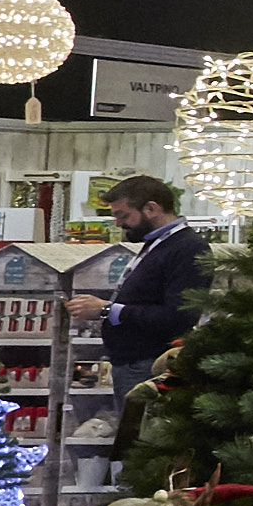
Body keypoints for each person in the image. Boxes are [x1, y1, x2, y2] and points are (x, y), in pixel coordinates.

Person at [68, 175, 207, 444]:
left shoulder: (187, 248)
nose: (118, 223)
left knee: (144, 447)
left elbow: (178, 316)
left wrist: (106, 310)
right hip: (133, 365)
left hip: (148, 366)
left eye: (123, 215)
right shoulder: (159, 244)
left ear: (151, 208)